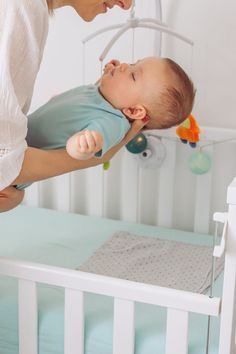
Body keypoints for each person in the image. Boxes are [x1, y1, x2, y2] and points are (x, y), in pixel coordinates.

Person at [0, 56, 195, 212]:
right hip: (11, 144)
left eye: (133, 75)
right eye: (134, 63)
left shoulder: (111, 122)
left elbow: (89, 146)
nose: (125, 65)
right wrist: (111, 74)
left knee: (11, 198)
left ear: (134, 112)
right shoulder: (100, 95)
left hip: (14, 166)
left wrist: (80, 146)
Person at [0, 0, 139, 195]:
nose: (126, 4)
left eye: (134, 74)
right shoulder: (23, 7)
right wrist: (100, 157)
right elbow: (5, 166)